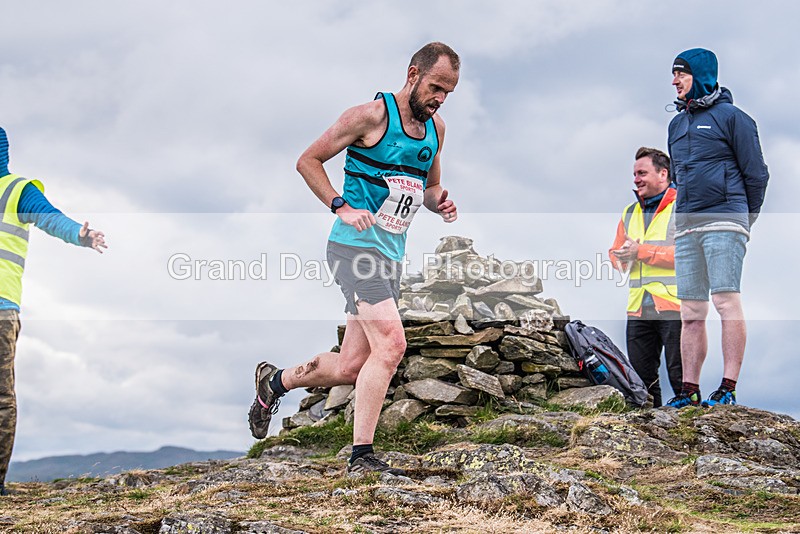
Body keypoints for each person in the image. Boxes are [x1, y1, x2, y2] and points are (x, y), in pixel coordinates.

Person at [247, 42, 460, 474]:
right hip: (352, 248)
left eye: (448, 93)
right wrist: (340, 205)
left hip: (390, 256)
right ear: (413, 73)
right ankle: (361, 457)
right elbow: (308, 161)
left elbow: (430, 187)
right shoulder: (369, 116)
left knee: (352, 365)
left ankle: (276, 380)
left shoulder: (437, 129)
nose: (439, 98)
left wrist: (441, 203)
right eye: (436, 87)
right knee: (393, 344)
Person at [0, 126, 107, 495]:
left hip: (1, 310)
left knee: (0, 399)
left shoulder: (16, 190)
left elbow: (50, 217)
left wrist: (80, 234)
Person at [665, 48, 769, 408]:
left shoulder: (734, 118)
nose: (674, 81)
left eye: (681, 73)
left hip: (726, 218)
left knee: (725, 300)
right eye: (674, 74)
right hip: (687, 224)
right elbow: (678, 178)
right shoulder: (676, 125)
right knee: (691, 312)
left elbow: (757, 174)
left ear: (701, 75)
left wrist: (744, 218)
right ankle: (688, 390)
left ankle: (727, 388)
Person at [610, 147, 682, 408]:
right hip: (639, 307)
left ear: (663, 174)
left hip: (676, 304)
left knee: (681, 378)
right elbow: (615, 253)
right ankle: (653, 430)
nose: (636, 179)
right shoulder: (630, 212)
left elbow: (690, 254)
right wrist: (622, 257)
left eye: (642, 173)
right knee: (642, 382)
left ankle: (687, 429)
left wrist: (641, 251)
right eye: (634, 174)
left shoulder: (683, 207)